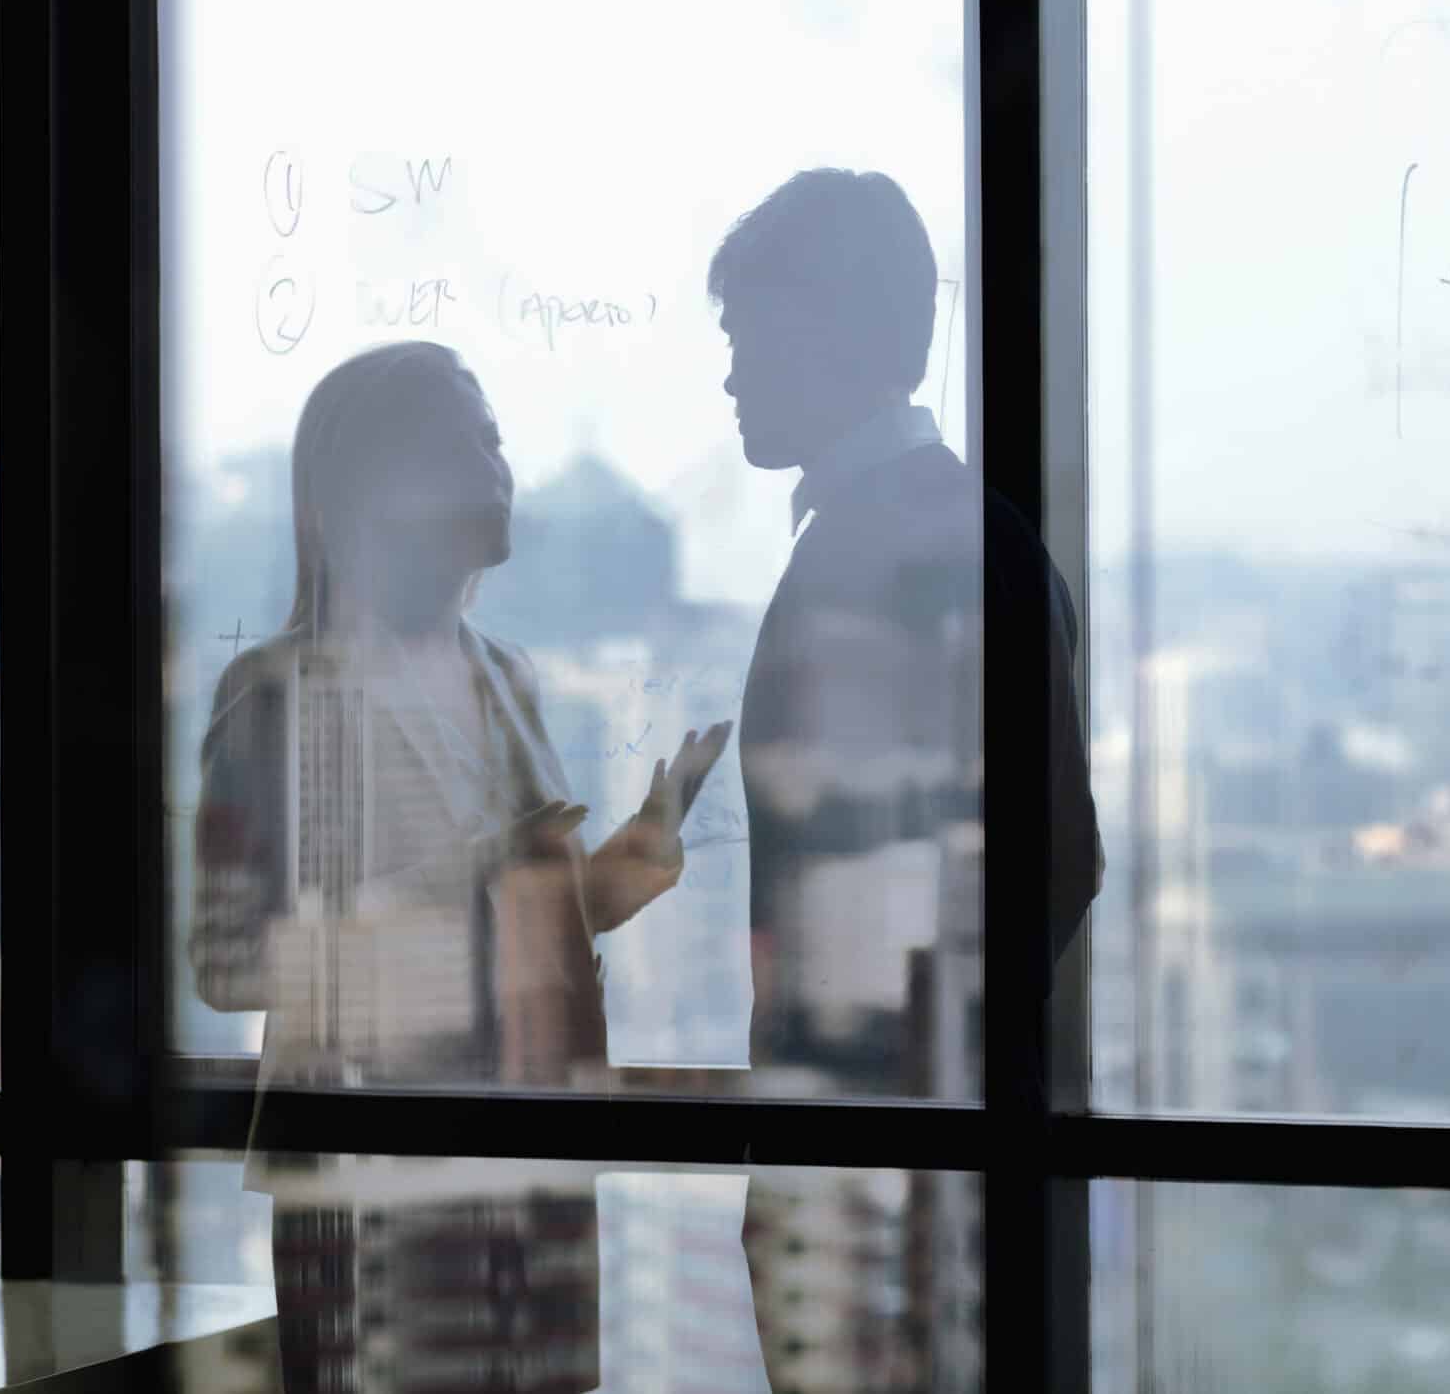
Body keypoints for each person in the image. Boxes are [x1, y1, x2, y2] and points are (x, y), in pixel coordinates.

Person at [188, 339, 730, 1391]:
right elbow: (226, 964)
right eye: (464, 444)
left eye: (496, 440)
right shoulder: (278, 694)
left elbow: (529, 923)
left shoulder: (507, 677)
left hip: (532, 1156)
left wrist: (637, 853)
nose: (498, 466)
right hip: (371, 1172)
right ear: (376, 487)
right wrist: (463, 895)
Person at [711, 168, 1102, 1091]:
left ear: (823, 338)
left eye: (748, 339)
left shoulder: (883, 552)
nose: (731, 377)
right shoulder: (979, 532)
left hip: (880, 1142)